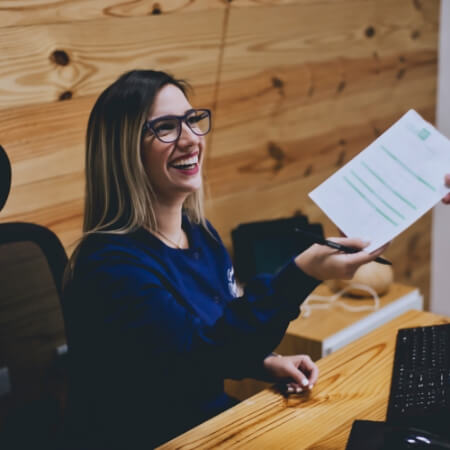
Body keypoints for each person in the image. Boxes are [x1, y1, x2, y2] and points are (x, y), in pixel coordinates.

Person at [61, 69, 435, 449]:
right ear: (125, 151)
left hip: (207, 424)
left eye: (192, 121)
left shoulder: (199, 234)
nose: (191, 139)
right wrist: (303, 273)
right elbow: (197, 359)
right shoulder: (109, 267)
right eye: (167, 128)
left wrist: (264, 362)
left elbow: (214, 335)